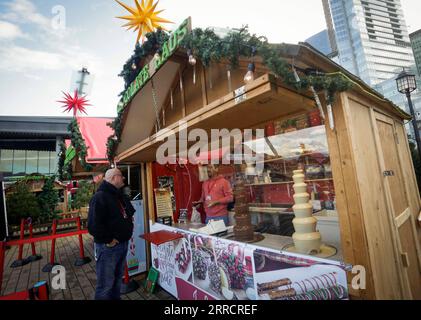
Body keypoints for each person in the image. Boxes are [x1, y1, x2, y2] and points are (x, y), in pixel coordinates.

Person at [88, 168, 135, 300]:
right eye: (121, 176)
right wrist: (109, 240)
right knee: (106, 285)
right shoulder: (100, 197)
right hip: (109, 247)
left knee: (116, 282)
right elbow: (93, 226)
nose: (124, 178)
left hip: (121, 244)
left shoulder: (117, 195)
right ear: (114, 178)